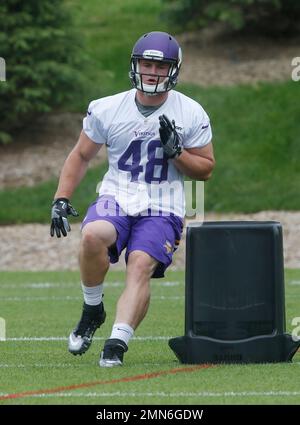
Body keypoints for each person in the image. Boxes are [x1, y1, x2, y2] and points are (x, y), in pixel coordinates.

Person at [50, 31, 215, 367]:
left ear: (173, 69)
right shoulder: (108, 108)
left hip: (163, 204)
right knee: (93, 233)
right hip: (117, 194)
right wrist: (61, 197)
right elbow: (81, 155)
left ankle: (117, 343)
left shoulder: (190, 112)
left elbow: (205, 169)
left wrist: (177, 153)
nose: (152, 71)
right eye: (146, 63)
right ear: (135, 64)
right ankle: (92, 308)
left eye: (160, 65)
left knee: (140, 263)